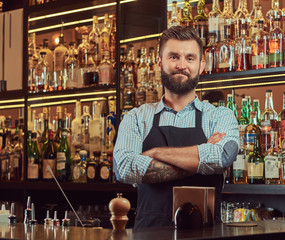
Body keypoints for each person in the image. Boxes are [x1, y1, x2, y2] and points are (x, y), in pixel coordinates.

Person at [113, 26, 239, 229]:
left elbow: (222, 157)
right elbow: (124, 168)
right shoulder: (136, 117)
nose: (182, 65)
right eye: (173, 57)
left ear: (202, 65)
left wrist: (154, 153)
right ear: (159, 63)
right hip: (148, 235)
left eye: (190, 58)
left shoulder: (220, 116)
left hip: (206, 235)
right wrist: (200, 158)